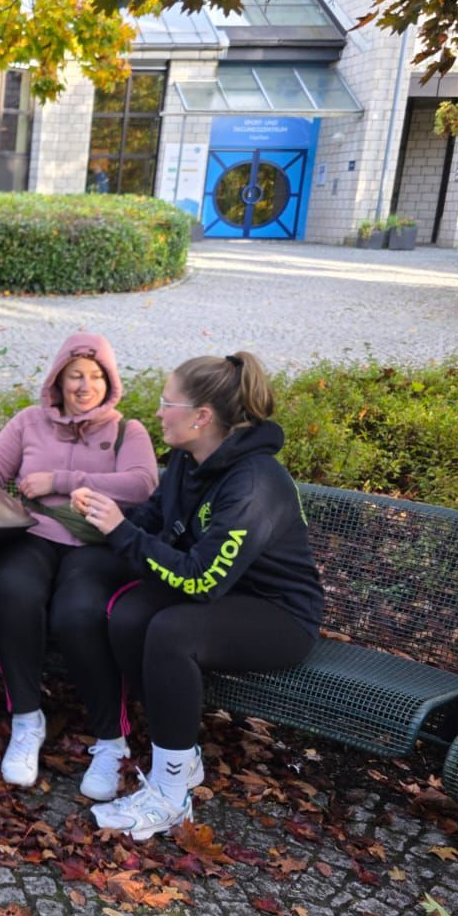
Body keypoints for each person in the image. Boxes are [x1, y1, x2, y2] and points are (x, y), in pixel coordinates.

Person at [70, 352, 323, 840]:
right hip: (225, 598)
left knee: (171, 631)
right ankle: (179, 761)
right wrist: (107, 516)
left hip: (279, 615)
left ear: (201, 416)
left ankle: (170, 799)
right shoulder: (190, 459)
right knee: (127, 615)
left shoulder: (253, 485)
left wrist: (122, 533)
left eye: (168, 402)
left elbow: (201, 580)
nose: (159, 411)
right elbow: (159, 520)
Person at [0, 332, 158, 794]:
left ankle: (111, 741)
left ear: (110, 381)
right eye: (75, 376)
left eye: (96, 377)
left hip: (95, 544)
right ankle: (27, 719)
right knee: (10, 589)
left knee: (78, 613)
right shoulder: (29, 422)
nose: (85, 386)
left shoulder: (129, 431)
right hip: (35, 534)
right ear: (57, 381)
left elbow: (143, 484)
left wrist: (61, 478)